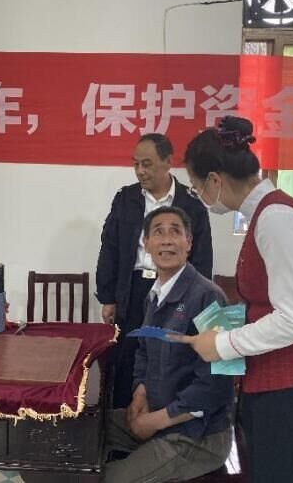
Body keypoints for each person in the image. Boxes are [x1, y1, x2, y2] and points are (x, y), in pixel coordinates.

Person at [170, 116, 293, 483]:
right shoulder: (264, 216)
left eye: (197, 188)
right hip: (274, 385)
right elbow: (266, 302)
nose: (200, 196)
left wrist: (223, 344)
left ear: (215, 180)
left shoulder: (277, 219)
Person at [103, 206, 233, 483]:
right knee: (77, 430)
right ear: (146, 243)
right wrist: (140, 394)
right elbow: (144, 352)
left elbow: (220, 385)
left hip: (198, 435)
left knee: (109, 479)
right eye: (158, 233)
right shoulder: (153, 296)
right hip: (157, 413)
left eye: (175, 232)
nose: (166, 241)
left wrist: (155, 421)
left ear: (189, 242)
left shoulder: (212, 297)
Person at [96, 133, 212, 408]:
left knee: (169, 355)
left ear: (168, 162)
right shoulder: (126, 199)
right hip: (134, 288)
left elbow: (202, 258)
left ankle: (163, 419)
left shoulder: (191, 204)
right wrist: (108, 297)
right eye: (136, 164)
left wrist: (197, 301)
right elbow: (110, 247)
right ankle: (124, 419)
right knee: (127, 357)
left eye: (146, 164)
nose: (140, 171)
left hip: (174, 291)